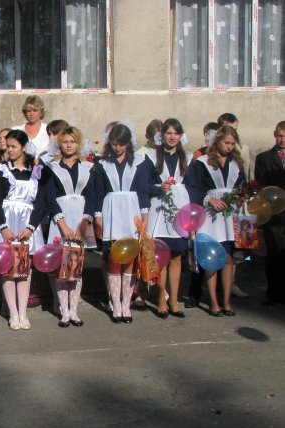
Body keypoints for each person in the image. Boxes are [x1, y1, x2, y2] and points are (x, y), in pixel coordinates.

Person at [0, 129, 46, 330]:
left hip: (27, 224)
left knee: (25, 269)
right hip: (8, 222)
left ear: (24, 147)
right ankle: (13, 312)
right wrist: (4, 228)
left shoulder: (35, 171)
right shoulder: (1, 170)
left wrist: (31, 227)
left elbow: (40, 202)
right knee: (7, 268)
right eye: (7, 146)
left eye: (13, 146)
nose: (9, 150)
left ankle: (23, 313)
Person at [94, 123, 153, 324]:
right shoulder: (102, 164)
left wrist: (144, 215)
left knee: (129, 260)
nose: (117, 147)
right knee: (113, 258)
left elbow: (143, 190)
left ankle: (126, 305)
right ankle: (115, 304)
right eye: (114, 143)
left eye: (121, 144)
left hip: (131, 211)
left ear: (128, 143)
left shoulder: (140, 161)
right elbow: (98, 192)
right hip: (111, 211)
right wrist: (98, 217)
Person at [187, 125, 246, 317]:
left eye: (232, 144)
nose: (229, 147)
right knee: (211, 258)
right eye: (226, 142)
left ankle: (226, 301)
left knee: (228, 257)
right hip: (210, 215)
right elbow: (193, 188)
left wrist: (240, 197)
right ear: (217, 141)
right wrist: (208, 199)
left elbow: (242, 187)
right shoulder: (202, 162)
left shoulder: (236, 163)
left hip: (229, 214)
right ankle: (213, 302)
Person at [44, 126, 95, 327]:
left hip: (81, 219)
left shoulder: (88, 167)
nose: (68, 145)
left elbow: (92, 196)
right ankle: (63, 311)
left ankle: (74, 310)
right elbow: (50, 198)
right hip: (61, 220)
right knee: (61, 266)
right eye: (65, 141)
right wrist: (63, 225)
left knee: (76, 265)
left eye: (72, 141)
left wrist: (84, 224)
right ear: (59, 144)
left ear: (78, 144)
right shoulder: (51, 167)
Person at [146, 118, 192, 318]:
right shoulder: (151, 157)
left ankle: (174, 299)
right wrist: (159, 187)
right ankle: (161, 298)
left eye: (176, 133)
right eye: (168, 133)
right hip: (159, 209)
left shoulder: (188, 157)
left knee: (176, 257)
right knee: (162, 257)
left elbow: (193, 185)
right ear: (162, 135)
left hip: (179, 209)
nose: (172, 137)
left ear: (181, 136)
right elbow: (144, 185)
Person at [216, 113, 250, 299]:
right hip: (217, 211)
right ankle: (213, 289)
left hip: (235, 209)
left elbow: (245, 179)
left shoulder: (242, 152)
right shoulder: (208, 157)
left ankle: (232, 283)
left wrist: (243, 195)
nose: (229, 145)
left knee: (238, 250)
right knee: (220, 249)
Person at [254, 120, 285, 306]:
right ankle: (273, 293)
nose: (282, 140)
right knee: (274, 256)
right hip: (274, 214)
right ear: (275, 135)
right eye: (280, 136)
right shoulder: (264, 158)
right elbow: (260, 186)